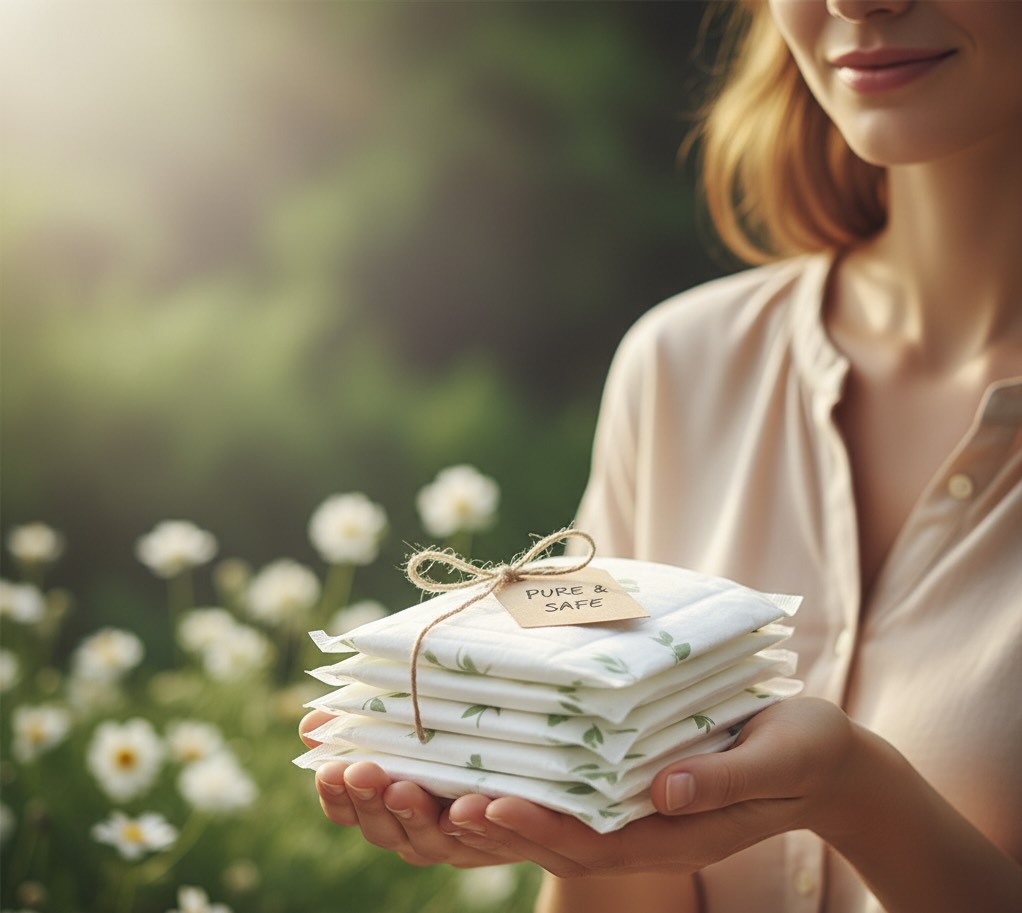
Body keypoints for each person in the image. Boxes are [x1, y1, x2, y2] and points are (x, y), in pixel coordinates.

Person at [300, 1, 1022, 910]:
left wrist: (860, 798)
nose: (854, 1)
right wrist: (557, 797)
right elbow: (628, 877)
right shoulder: (685, 364)